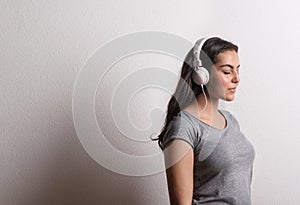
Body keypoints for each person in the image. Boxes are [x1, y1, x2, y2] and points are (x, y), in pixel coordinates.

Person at [152, 36, 255, 204]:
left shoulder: (230, 121)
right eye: (227, 72)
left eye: (238, 70)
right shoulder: (184, 127)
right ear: (202, 75)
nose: (237, 78)